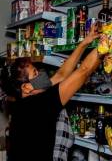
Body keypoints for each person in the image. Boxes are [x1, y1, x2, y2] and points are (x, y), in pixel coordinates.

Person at [8, 24, 102, 161]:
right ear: (26, 88)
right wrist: (106, 44)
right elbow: (84, 71)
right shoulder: (39, 104)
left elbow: (61, 74)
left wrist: (85, 42)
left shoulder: (22, 103)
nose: (41, 74)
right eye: (35, 73)